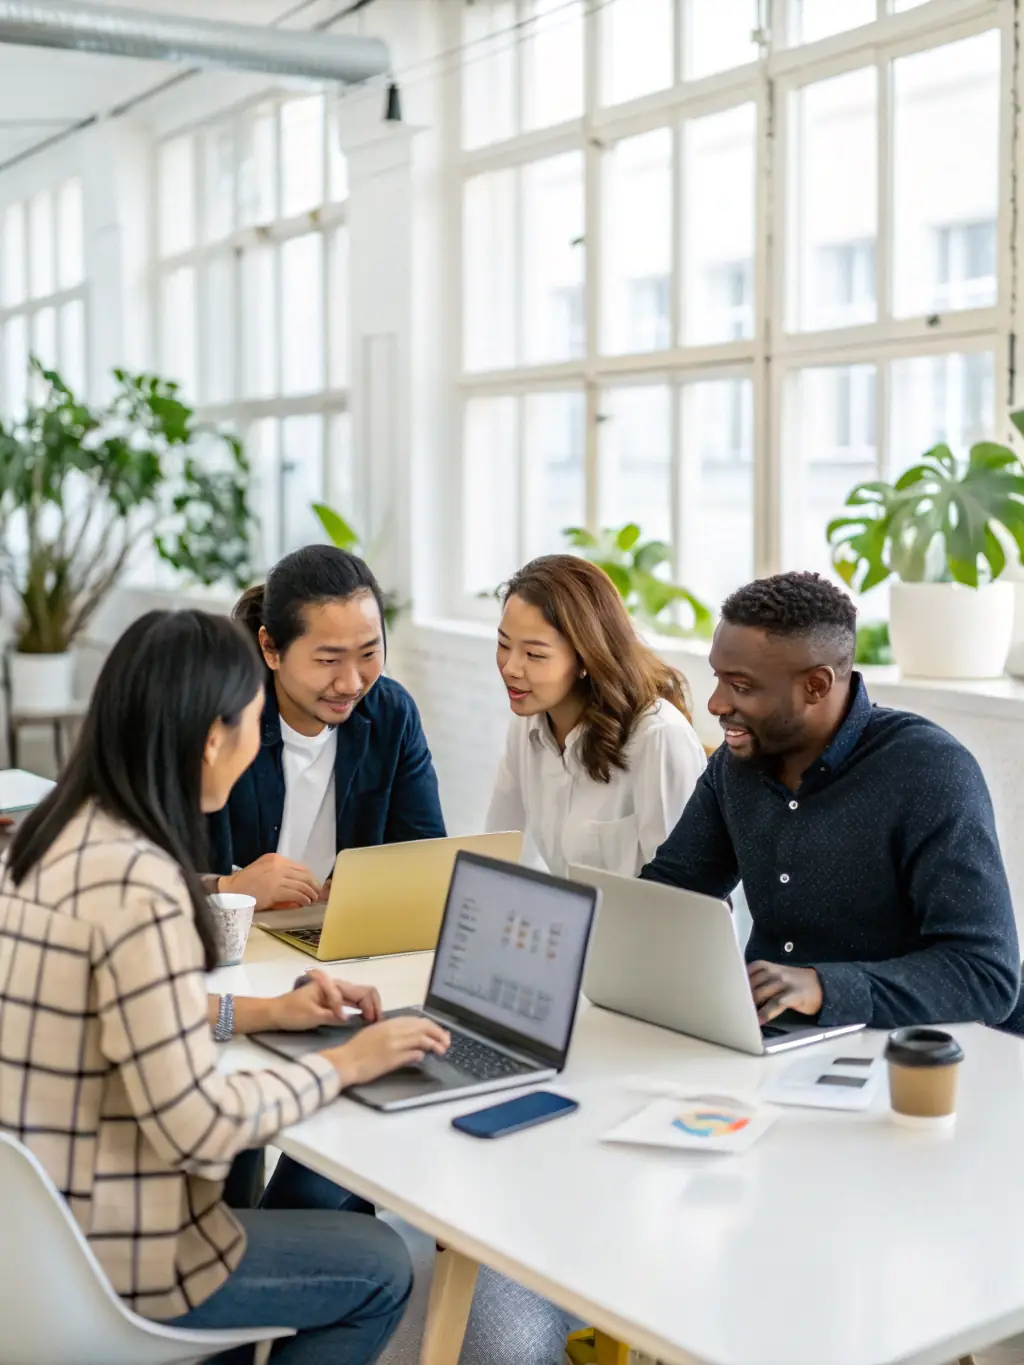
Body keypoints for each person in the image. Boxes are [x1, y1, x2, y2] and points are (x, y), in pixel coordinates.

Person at [0, 609, 451, 1365]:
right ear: (212, 737)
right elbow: (198, 1125)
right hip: (118, 1256)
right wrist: (347, 1061)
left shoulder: (48, 837)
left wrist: (268, 1011)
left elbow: (114, 1006)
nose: (257, 742)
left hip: (31, 1240)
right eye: (252, 721)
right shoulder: (145, 883)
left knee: (268, 1190)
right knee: (381, 1265)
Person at [641, 571, 1021, 1031]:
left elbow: (986, 976)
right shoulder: (736, 763)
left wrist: (824, 986)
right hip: (773, 1036)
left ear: (817, 685)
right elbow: (674, 891)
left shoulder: (929, 771)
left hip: (910, 1049)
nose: (716, 704)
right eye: (719, 678)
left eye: (741, 686)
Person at [209, 544, 446, 910]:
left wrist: (371, 890)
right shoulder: (225, 719)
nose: (351, 684)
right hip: (233, 943)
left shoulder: (391, 715)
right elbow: (148, 876)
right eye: (328, 660)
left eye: (369, 654)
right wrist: (229, 887)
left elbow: (425, 857)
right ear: (271, 648)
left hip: (341, 935)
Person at [485, 555, 706, 877]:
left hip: (647, 926)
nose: (510, 668)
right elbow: (499, 855)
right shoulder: (527, 725)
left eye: (534, 655)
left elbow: (683, 898)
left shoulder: (658, 737)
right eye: (504, 644)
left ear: (587, 657)